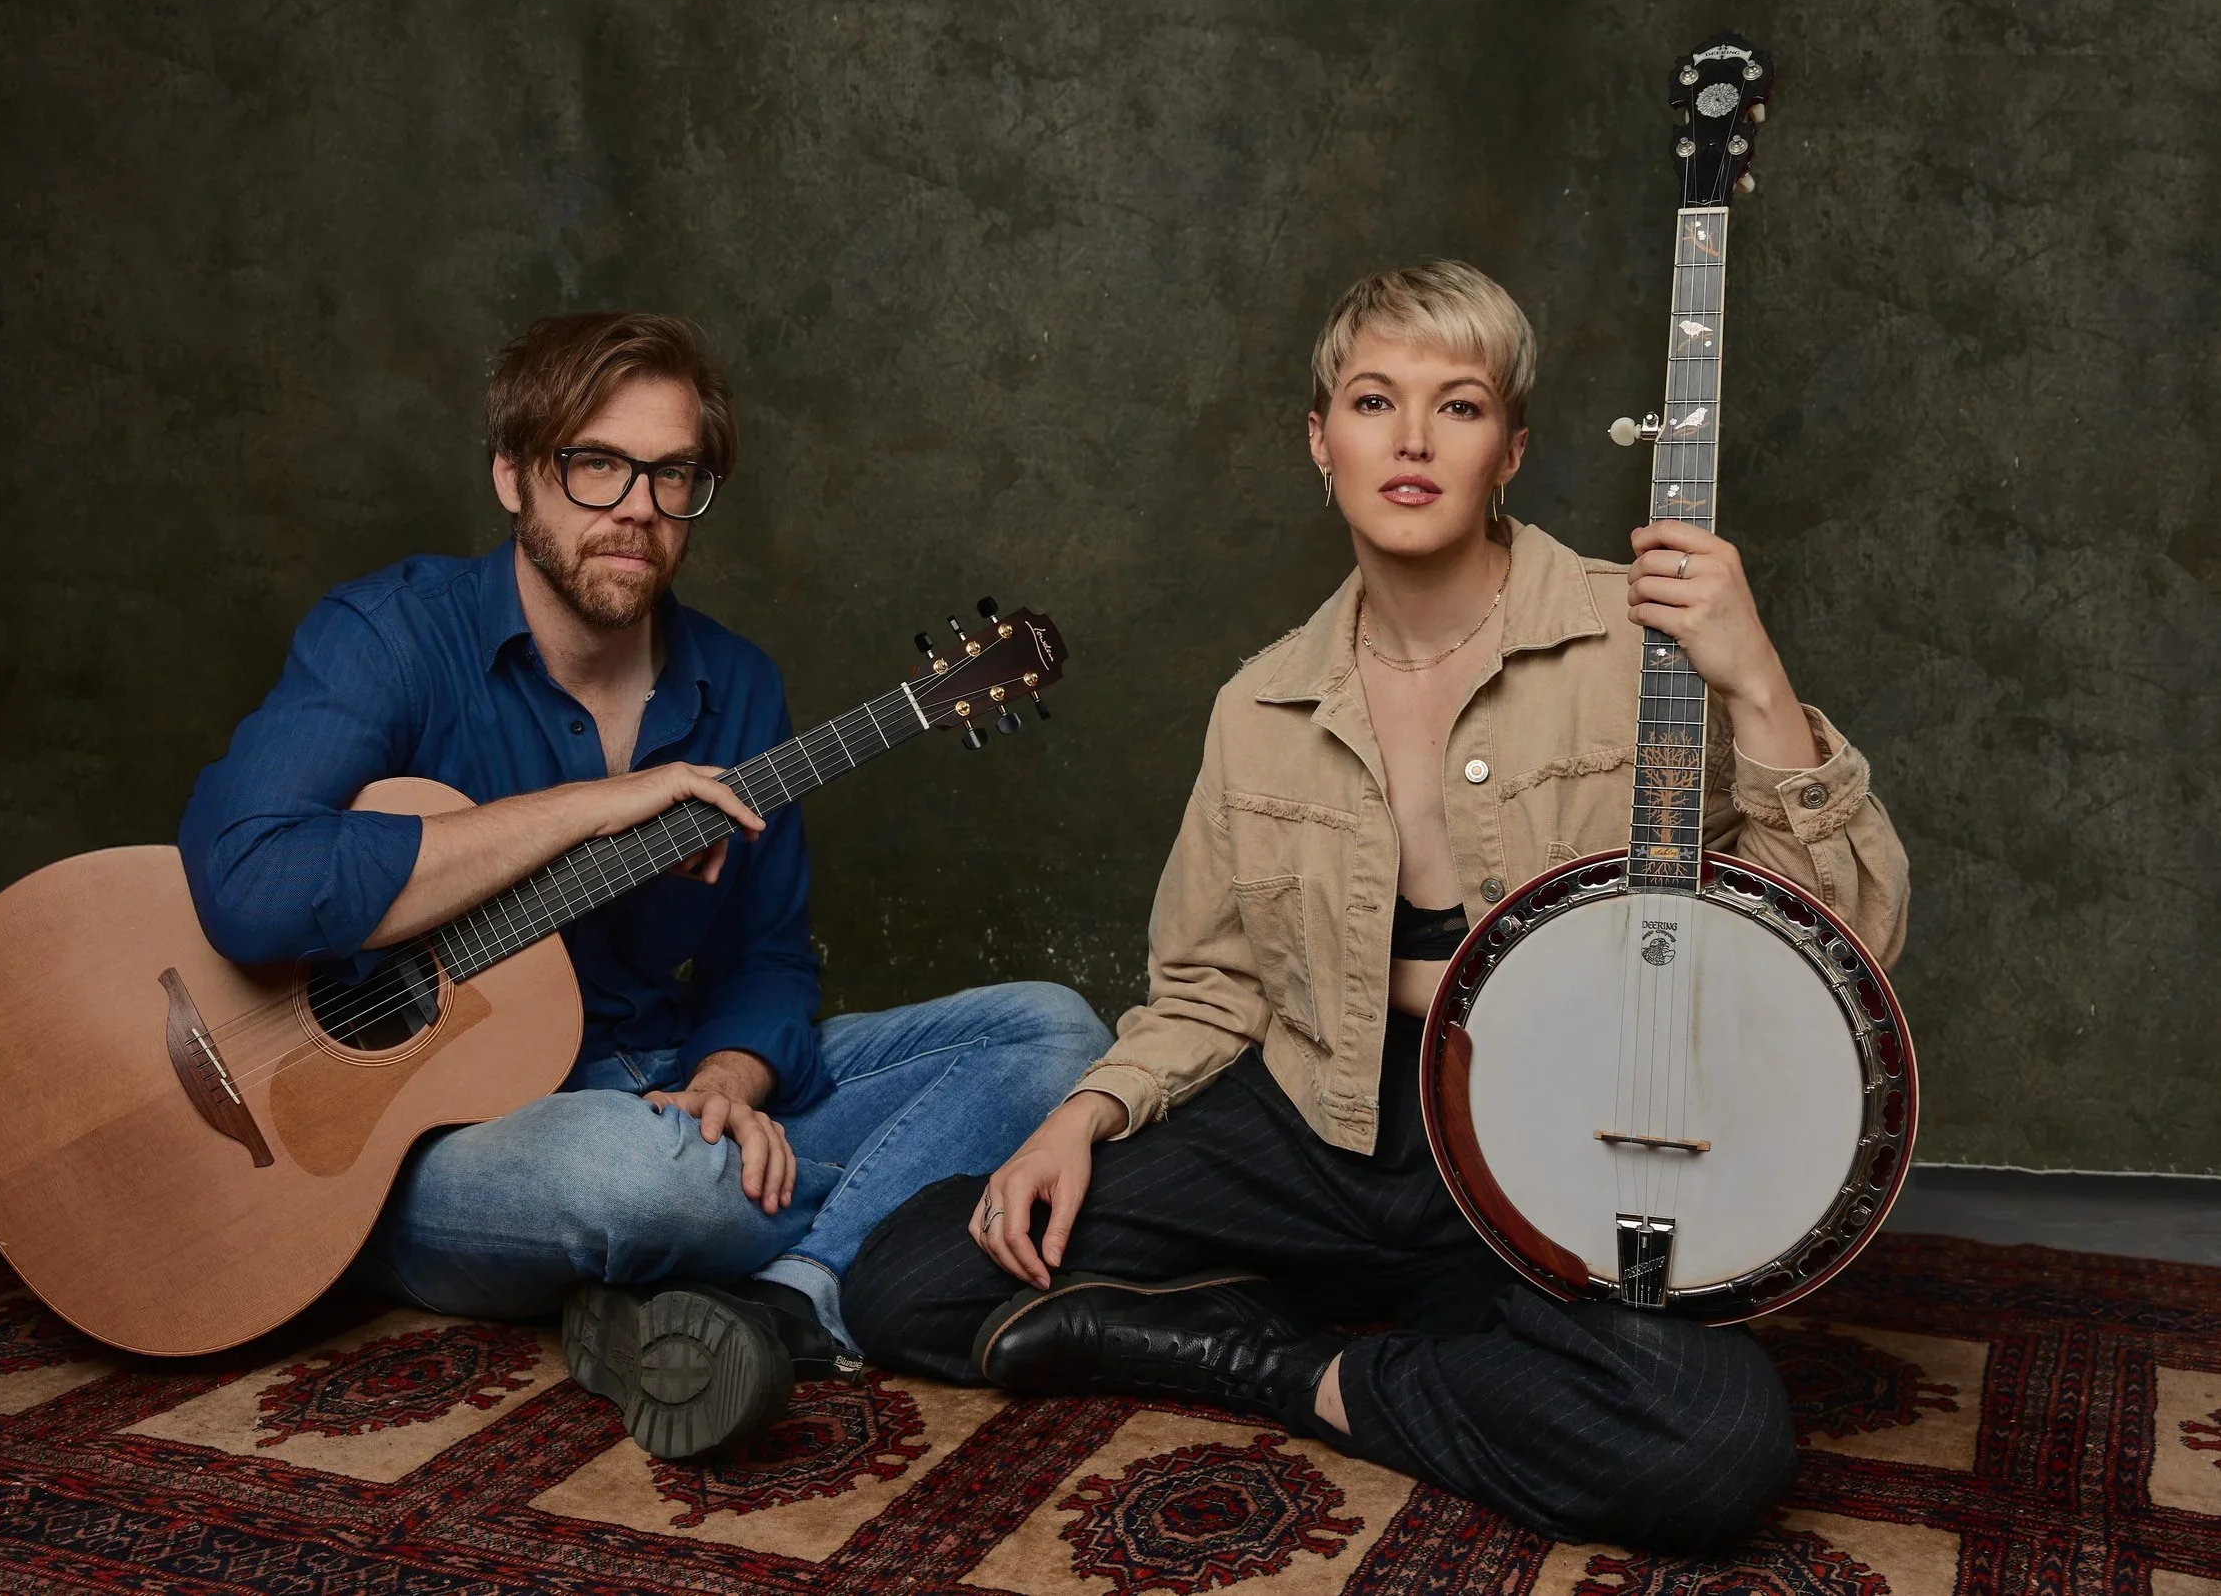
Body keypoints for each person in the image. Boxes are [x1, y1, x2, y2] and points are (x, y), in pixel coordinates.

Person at [842, 261, 1910, 1552]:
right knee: (911, 1273)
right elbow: (1208, 988)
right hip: (1312, 1128)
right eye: (1371, 400)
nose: (1409, 439)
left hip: (1532, 1155)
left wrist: (1759, 679)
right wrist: (1085, 1111)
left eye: (1457, 406)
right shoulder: (1260, 707)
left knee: (1715, 1436)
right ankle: (1380, 1325)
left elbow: (1845, 941)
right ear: (1320, 439)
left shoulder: (1653, 643)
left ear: (1509, 448)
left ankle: (1289, 1368)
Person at [177, 311, 1110, 1460]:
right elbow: (249, 883)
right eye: (595, 464)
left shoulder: (735, 686)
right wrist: (588, 808)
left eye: (673, 475)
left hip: (664, 1087)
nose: (637, 507)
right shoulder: (388, 636)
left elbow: (765, 955)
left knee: (1053, 1035)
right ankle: (914, 1210)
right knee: (647, 1178)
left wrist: (730, 1075)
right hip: (420, 1142)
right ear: (514, 474)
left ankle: (788, 1296)